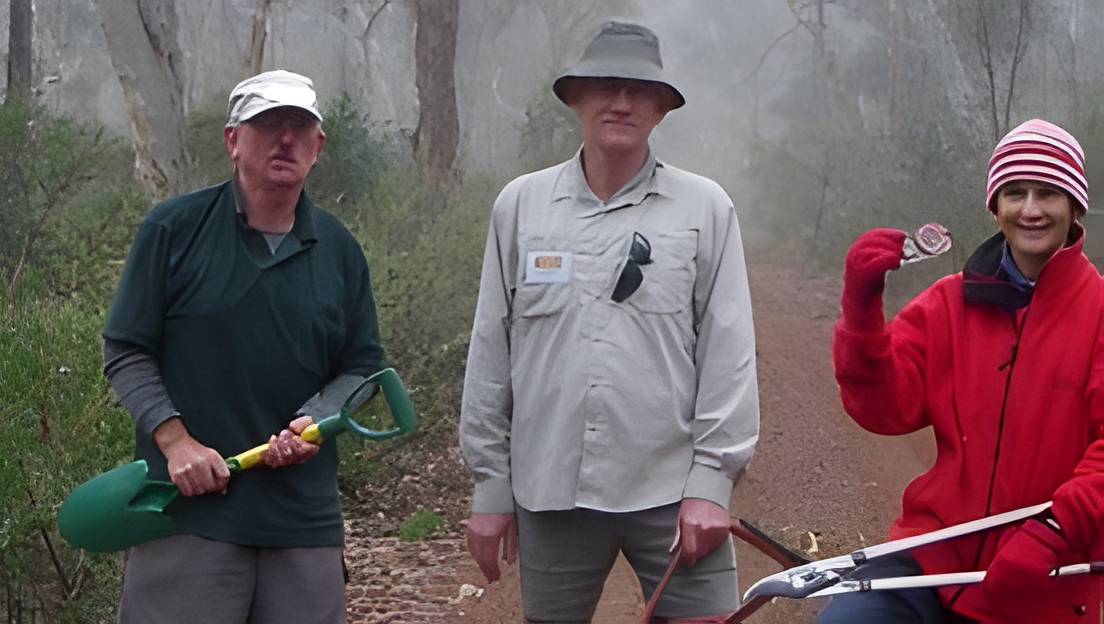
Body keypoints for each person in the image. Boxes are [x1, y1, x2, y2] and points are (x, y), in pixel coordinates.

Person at [458, 21, 760, 624]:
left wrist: (712, 485)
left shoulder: (704, 208)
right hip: (551, 489)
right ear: (575, 99)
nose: (620, 102)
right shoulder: (521, 205)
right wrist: (492, 484)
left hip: (673, 492)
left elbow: (729, 352)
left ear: (661, 107)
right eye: (603, 87)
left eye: (638, 90)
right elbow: (493, 346)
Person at [102, 70, 384, 624]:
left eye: (300, 128)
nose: (286, 140)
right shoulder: (173, 229)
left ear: (318, 146)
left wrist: (317, 421)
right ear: (233, 140)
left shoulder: (340, 250)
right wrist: (176, 442)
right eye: (268, 125)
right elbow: (127, 350)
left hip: (303, 523)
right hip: (188, 515)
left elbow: (363, 368)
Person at [823, 118, 1104, 624]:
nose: (1031, 209)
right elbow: (885, 409)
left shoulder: (1100, 312)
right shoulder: (948, 304)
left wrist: (1053, 532)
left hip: (1045, 578)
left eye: (1049, 193)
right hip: (933, 560)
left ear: (1075, 205)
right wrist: (861, 312)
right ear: (995, 207)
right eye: (1015, 193)